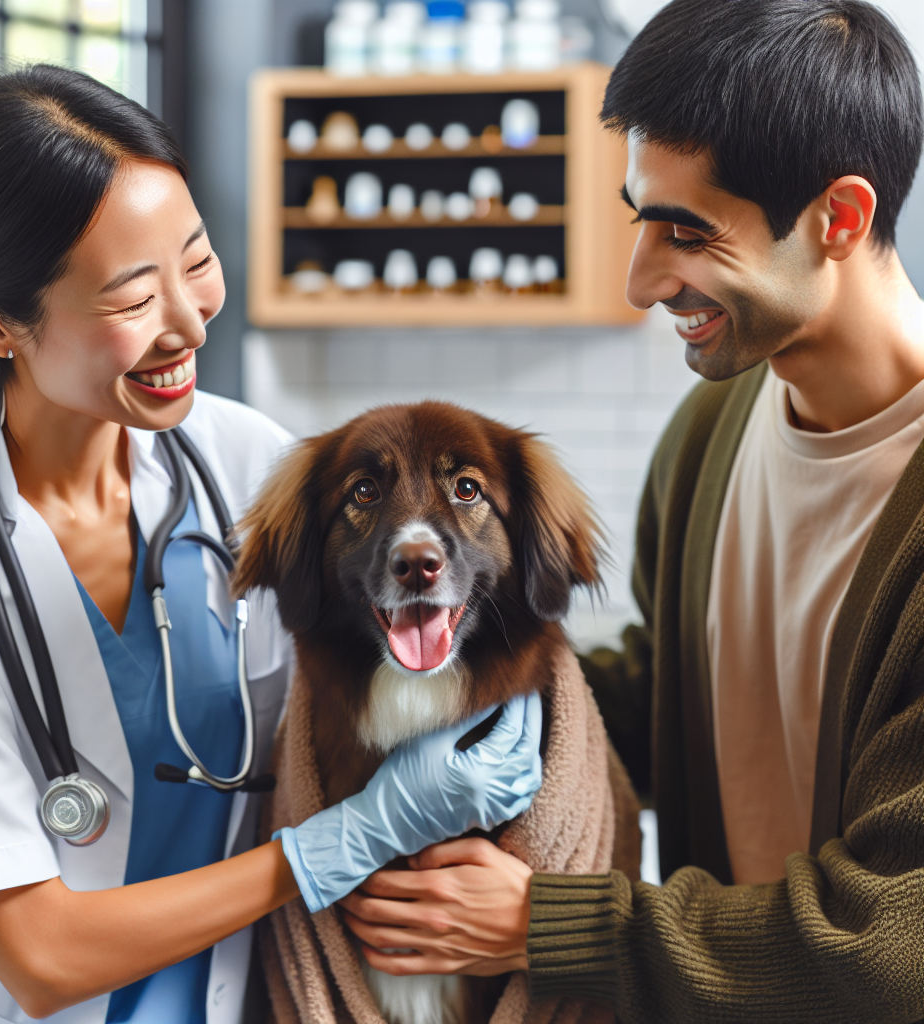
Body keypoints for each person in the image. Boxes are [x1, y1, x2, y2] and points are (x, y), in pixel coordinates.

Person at [0, 65, 544, 1024]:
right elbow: (41, 955)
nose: (192, 320)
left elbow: (376, 682)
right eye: (130, 298)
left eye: (195, 260)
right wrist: (341, 843)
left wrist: (498, 709)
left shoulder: (251, 468)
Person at [338, 1, 924, 1020]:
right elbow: (678, 696)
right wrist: (428, 692)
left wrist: (543, 923)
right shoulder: (710, 433)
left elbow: (891, 939)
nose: (640, 276)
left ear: (838, 217)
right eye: (639, 217)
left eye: (688, 232)